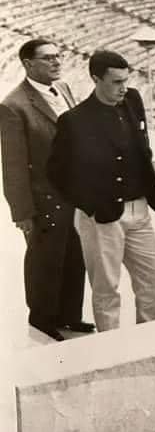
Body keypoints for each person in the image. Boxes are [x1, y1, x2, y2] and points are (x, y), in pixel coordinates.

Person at [47, 50, 155, 333]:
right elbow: (56, 173)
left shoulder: (133, 100)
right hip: (102, 218)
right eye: (115, 82)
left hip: (140, 210)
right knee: (107, 290)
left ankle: (150, 342)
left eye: (126, 80)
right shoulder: (74, 121)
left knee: (154, 280)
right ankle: (112, 352)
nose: (123, 88)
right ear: (95, 79)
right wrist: (89, 206)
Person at [0, 39, 93, 341]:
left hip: (73, 192)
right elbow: (13, 165)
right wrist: (22, 212)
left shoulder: (63, 89)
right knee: (45, 259)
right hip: (44, 197)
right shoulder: (14, 106)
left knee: (73, 256)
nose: (56, 62)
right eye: (48, 58)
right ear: (28, 64)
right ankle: (42, 318)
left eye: (58, 56)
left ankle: (69, 315)